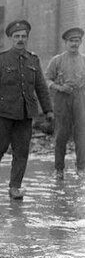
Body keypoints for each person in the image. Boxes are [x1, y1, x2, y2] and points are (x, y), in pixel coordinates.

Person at [0, 20, 53, 199]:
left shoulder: (33, 60)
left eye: (23, 36)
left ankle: (15, 187)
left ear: (27, 38)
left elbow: (41, 87)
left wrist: (48, 110)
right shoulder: (1, 59)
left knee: (22, 151)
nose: (20, 39)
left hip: (26, 114)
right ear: (10, 38)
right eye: (16, 36)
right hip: (3, 112)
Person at [45, 27, 85, 179]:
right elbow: (47, 79)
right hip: (62, 99)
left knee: (81, 135)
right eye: (71, 41)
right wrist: (59, 87)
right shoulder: (57, 60)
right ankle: (59, 169)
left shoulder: (84, 59)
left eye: (77, 41)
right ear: (66, 42)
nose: (74, 44)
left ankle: (81, 169)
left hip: (80, 99)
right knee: (61, 135)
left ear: (81, 42)